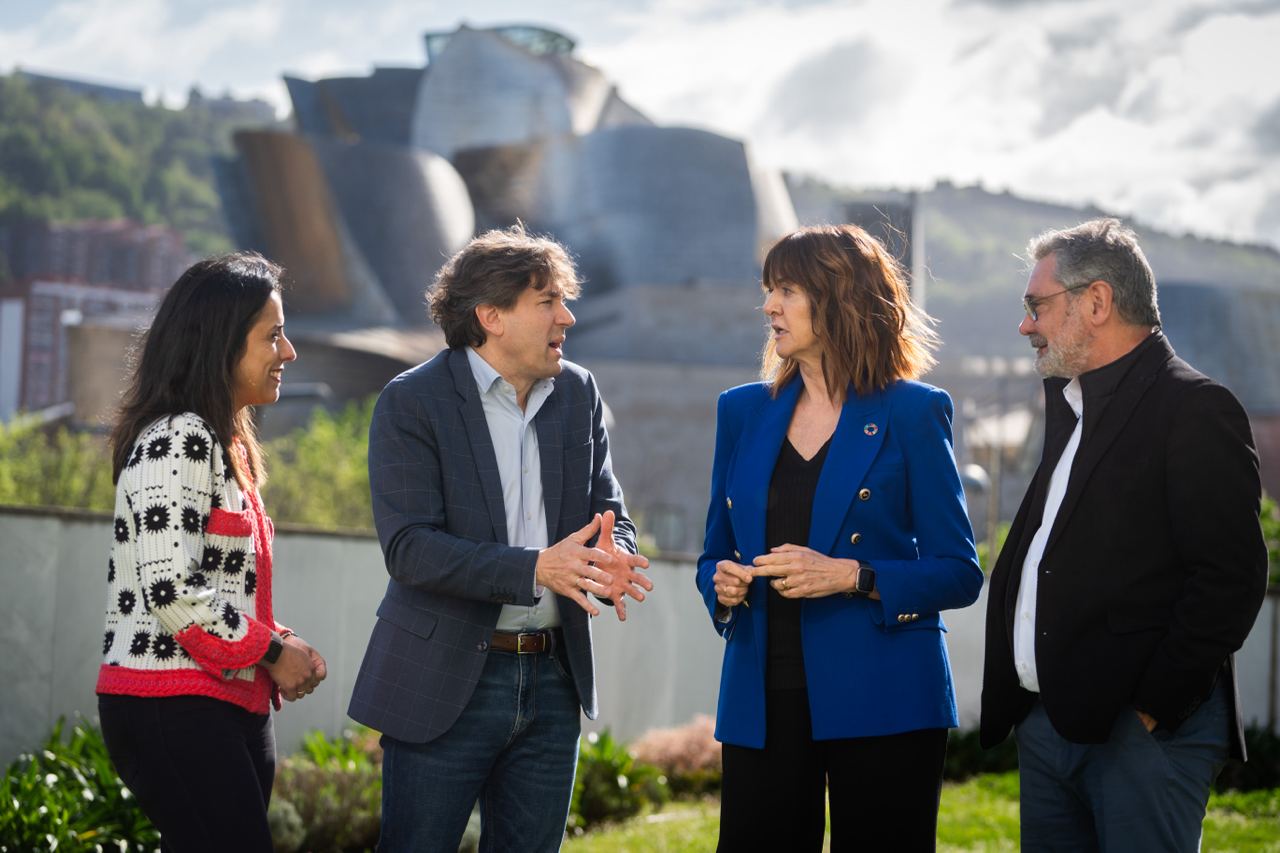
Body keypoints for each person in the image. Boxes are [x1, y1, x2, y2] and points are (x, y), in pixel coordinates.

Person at [348, 224, 652, 852]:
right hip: (444, 679)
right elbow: (409, 548)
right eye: (547, 301)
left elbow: (608, 509)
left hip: (552, 678)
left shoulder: (578, 393)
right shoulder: (412, 402)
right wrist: (535, 568)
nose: (567, 317)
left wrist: (615, 547)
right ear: (491, 316)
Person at [980, 218, 1269, 852]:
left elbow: (1232, 577)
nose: (1026, 325)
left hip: (1141, 737)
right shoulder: (1071, 405)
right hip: (1050, 727)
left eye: (1036, 306)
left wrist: (1152, 705)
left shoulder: (1195, 408)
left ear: (1098, 302)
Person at [697, 224, 984, 852]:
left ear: (840, 298)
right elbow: (714, 550)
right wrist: (721, 584)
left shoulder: (914, 410)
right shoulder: (741, 410)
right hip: (762, 697)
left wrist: (854, 576)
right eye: (769, 290)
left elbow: (960, 570)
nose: (769, 306)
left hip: (885, 693)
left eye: (788, 290)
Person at [95, 252, 327, 852]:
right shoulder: (179, 438)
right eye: (272, 336)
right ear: (221, 344)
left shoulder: (226, 445)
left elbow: (214, 583)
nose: (289, 352)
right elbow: (172, 589)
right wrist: (273, 650)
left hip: (223, 702)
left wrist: (280, 642)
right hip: (172, 706)